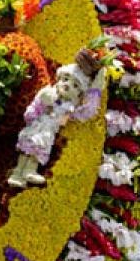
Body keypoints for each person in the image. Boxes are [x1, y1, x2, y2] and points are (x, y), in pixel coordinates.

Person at [8, 59, 104, 189]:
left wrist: (95, 90)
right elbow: (35, 107)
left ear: (79, 94)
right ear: (58, 79)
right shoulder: (48, 94)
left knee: (38, 149)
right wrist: (36, 109)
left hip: (48, 133)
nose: (68, 85)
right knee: (27, 148)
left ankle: (29, 171)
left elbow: (86, 112)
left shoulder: (69, 107)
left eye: (75, 86)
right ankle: (17, 173)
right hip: (36, 125)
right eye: (65, 79)